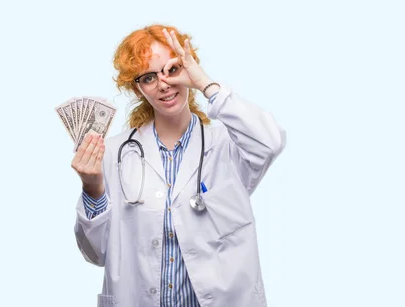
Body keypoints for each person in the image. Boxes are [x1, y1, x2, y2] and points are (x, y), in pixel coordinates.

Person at [71, 24, 286, 307]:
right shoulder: (113, 154)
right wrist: (92, 187)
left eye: (171, 70)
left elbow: (269, 142)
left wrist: (204, 83)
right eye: (148, 77)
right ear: (137, 89)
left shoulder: (228, 146)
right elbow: (96, 254)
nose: (163, 84)